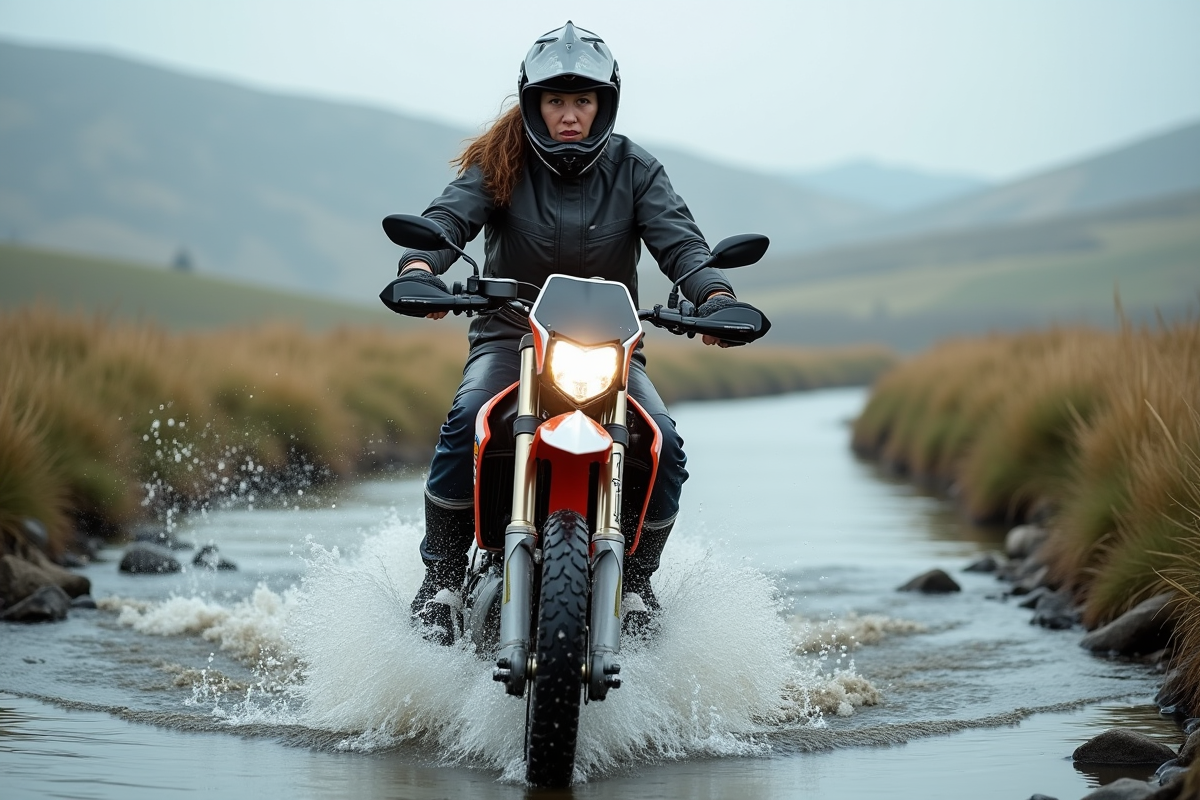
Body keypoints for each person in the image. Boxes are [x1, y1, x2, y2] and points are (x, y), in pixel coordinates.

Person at [399, 21, 742, 644]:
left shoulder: (636, 168)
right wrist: (422, 266)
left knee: (663, 440)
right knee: (468, 418)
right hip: (512, 340)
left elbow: (681, 244)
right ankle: (441, 578)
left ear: (603, 103)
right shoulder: (499, 162)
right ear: (534, 102)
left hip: (611, 348)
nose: (569, 115)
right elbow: (449, 218)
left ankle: (635, 581)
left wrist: (714, 295)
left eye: (582, 101)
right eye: (556, 100)